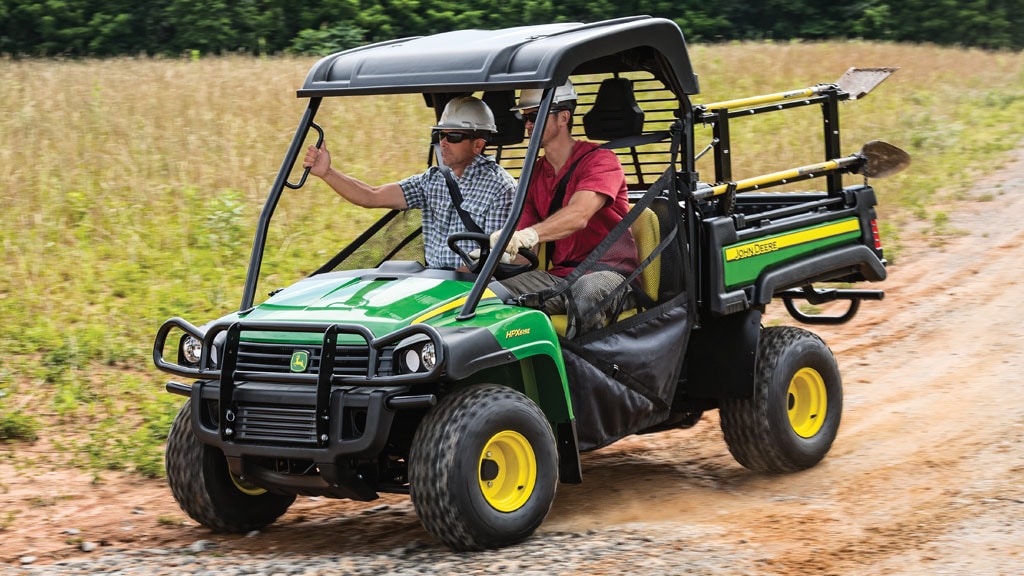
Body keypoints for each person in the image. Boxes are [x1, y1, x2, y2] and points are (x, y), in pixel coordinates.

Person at [303, 96, 516, 270]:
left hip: (474, 289)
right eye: (441, 134)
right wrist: (327, 173)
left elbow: (492, 258)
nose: (443, 143)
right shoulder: (433, 179)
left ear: (478, 144)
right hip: (433, 282)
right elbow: (372, 195)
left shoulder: (501, 188)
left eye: (454, 136)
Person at [494, 80, 639, 336]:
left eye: (534, 116)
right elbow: (525, 250)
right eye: (524, 117)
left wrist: (529, 235)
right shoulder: (534, 173)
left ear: (563, 117)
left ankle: (586, 369)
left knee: (585, 291)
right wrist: (498, 252)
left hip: (610, 275)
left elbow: (579, 215)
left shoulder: (601, 161)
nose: (527, 124)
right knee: (488, 295)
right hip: (560, 278)